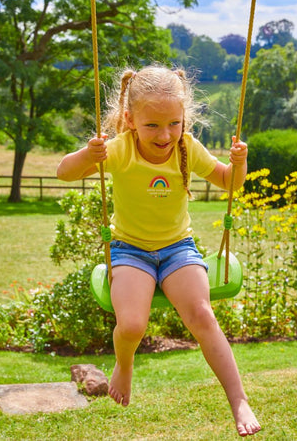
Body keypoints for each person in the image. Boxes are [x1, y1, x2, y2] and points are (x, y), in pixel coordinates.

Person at [57, 65, 261, 437]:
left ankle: (238, 399)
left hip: (177, 249)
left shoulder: (187, 148)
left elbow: (229, 183)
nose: (165, 134)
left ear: (184, 119)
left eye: (174, 123)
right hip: (129, 250)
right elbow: (64, 172)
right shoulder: (119, 150)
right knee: (132, 325)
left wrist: (240, 162)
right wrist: (89, 155)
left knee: (202, 315)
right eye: (152, 125)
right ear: (131, 120)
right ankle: (124, 363)